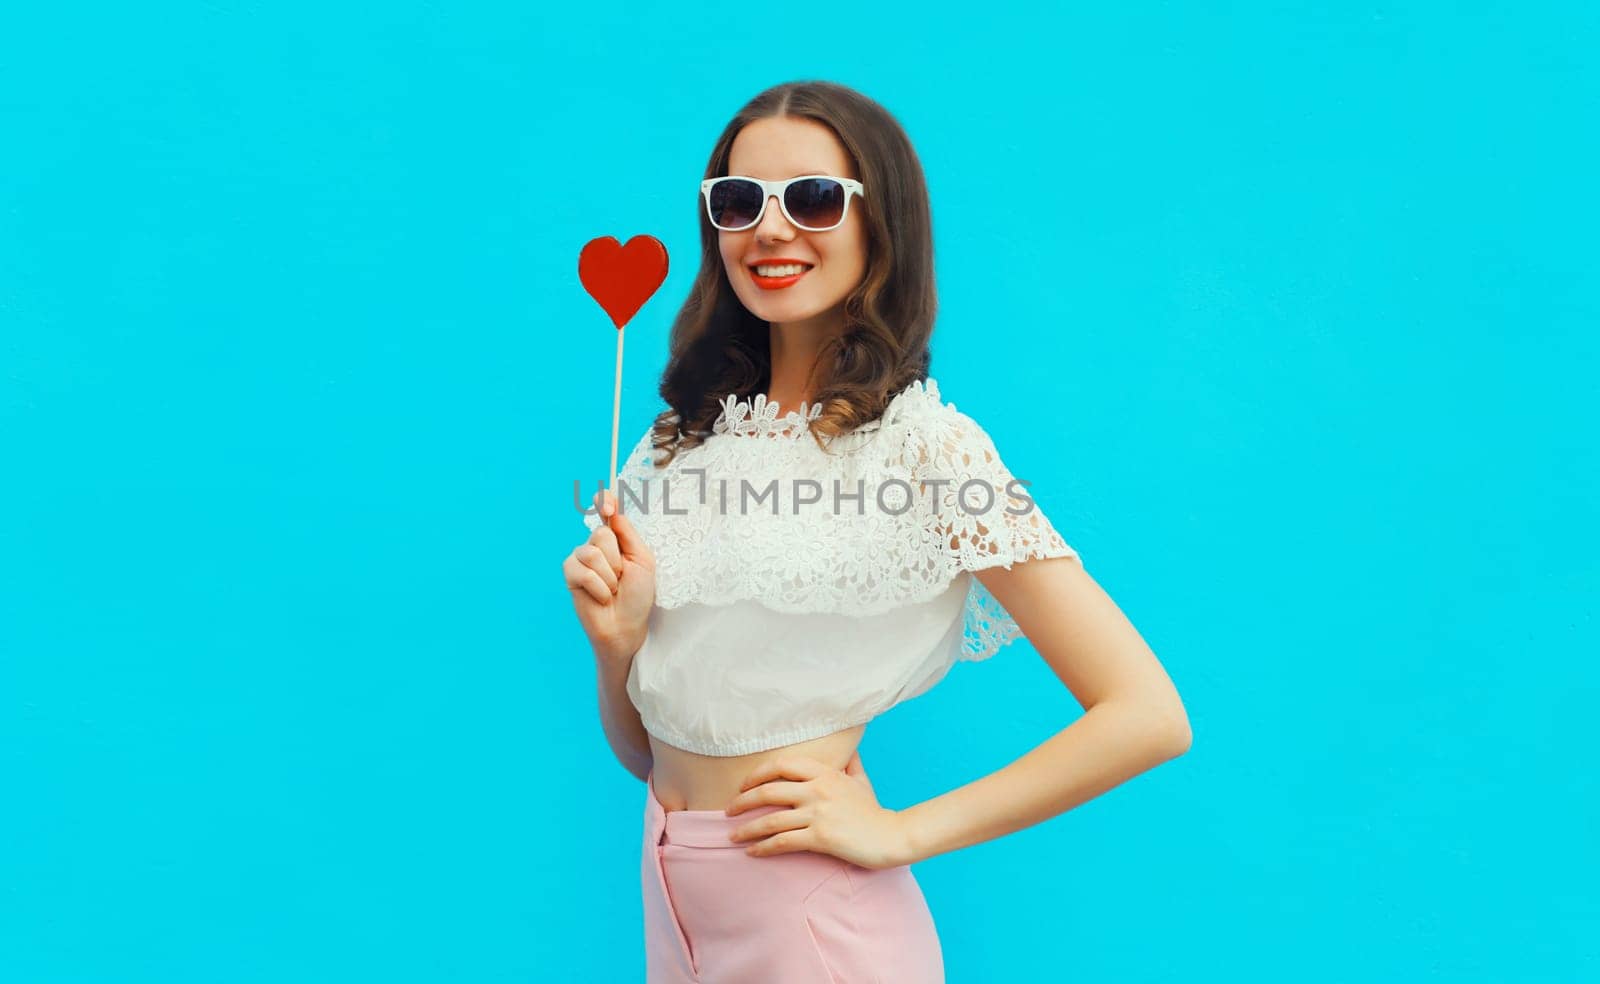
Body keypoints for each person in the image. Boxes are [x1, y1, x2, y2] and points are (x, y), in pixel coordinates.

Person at [564, 80, 1191, 984]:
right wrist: (615, 647)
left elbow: (1148, 715)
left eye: (812, 198)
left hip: (816, 933)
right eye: (739, 203)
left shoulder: (927, 450)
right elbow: (647, 754)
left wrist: (900, 833)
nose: (770, 231)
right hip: (673, 913)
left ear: (880, 224)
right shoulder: (674, 446)